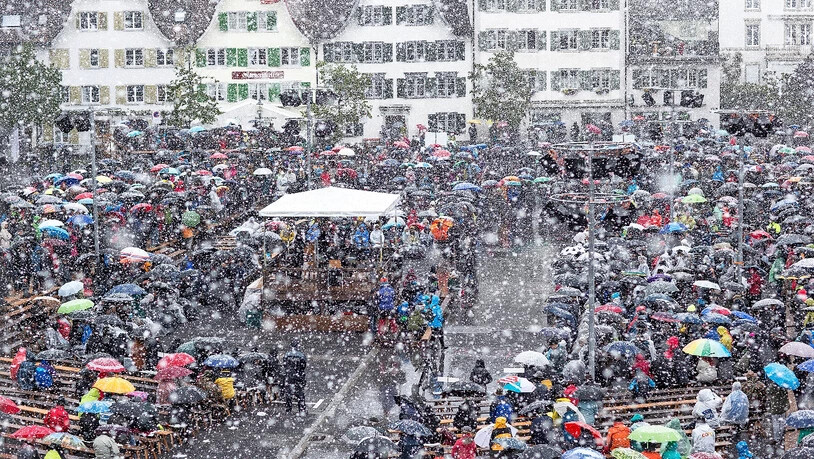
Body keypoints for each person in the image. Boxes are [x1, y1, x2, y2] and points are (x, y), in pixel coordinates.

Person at [283, 339, 307, 414]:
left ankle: (288, 409)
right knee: (300, 393)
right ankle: (302, 409)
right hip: (298, 376)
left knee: (288, 393)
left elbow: (284, 365)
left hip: (289, 376)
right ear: (297, 346)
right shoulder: (301, 355)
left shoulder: (287, 354)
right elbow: (303, 366)